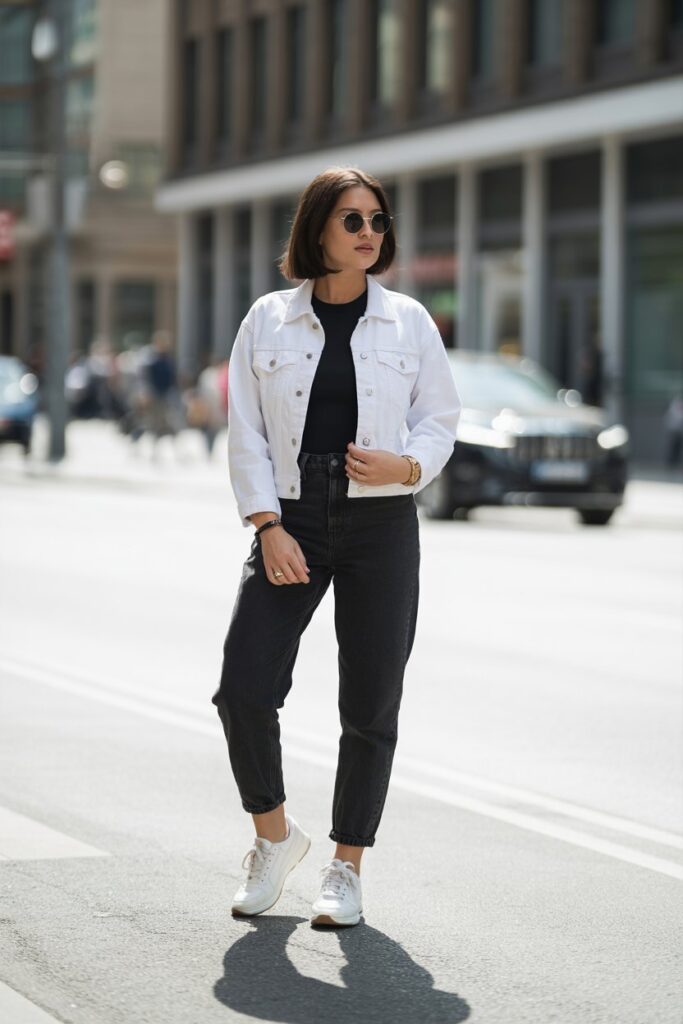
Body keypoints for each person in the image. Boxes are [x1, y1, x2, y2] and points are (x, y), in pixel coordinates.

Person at [211, 166, 462, 928]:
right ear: (317, 227)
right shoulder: (267, 320)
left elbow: (440, 417)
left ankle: (346, 868)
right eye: (352, 220)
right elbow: (245, 431)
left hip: (382, 523)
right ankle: (274, 837)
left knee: (370, 701)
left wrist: (409, 467)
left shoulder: (409, 321)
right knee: (245, 688)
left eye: (378, 222)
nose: (367, 234)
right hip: (294, 516)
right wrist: (268, 525)